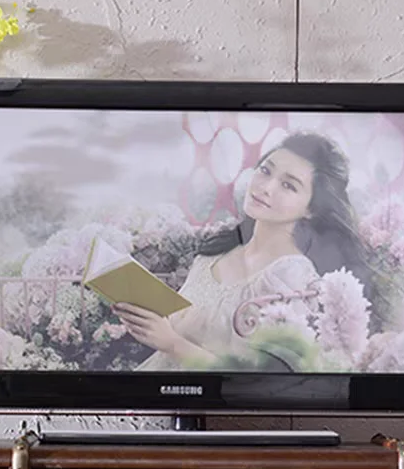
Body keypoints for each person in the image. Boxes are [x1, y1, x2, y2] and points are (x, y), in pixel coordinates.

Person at [116, 131, 368, 370]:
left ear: (311, 209)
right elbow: (181, 326)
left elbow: (257, 380)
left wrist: (171, 343)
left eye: (288, 186)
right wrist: (145, 321)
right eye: (265, 171)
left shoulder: (291, 277)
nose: (266, 187)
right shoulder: (215, 252)